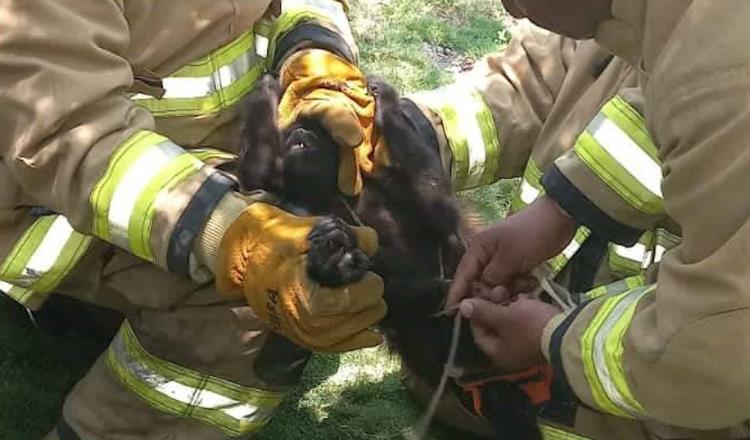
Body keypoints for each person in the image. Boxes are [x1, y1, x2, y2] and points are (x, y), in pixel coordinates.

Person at [0, 1, 388, 439]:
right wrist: (229, 235)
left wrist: (316, 57)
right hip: (54, 204)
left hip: (202, 169)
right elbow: (73, 140)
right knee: (258, 300)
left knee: (349, 201)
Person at [391, 0, 750, 439]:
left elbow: (709, 351)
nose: (511, 9)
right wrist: (412, 132)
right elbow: (533, 80)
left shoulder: (723, 77)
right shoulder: (652, 22)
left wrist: (554, 339)